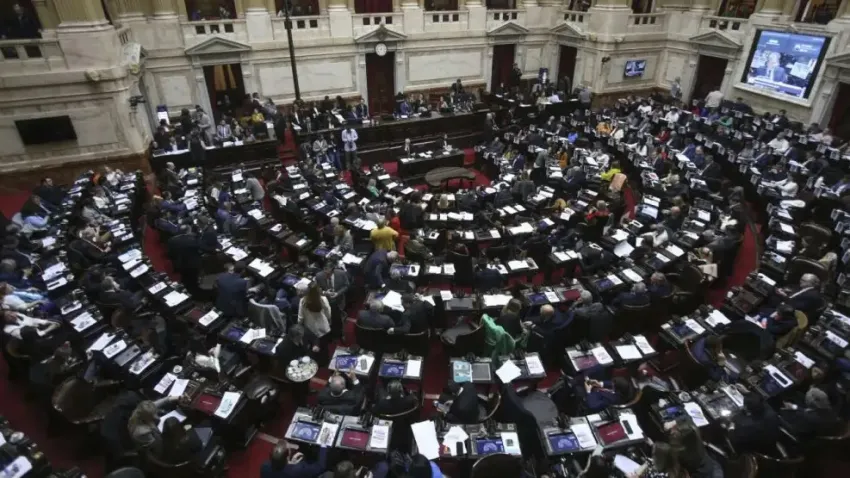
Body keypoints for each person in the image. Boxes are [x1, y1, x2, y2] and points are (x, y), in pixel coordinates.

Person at [261, 439, 328, 478]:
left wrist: (291, 463)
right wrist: (323, 443)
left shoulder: (265, 466)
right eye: (289, 449)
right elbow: (321, 467)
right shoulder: (298, 470)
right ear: (287, 456)